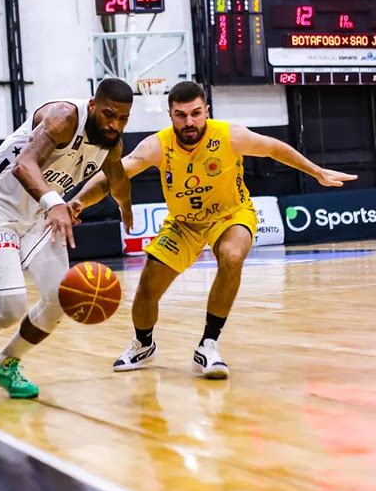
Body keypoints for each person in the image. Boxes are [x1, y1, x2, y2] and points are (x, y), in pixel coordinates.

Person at [68, 81, 358, 379]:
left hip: (230, 215)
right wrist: (77, 202)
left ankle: (208, 344)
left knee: (232, 256)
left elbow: (274, 148)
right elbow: (113, 176)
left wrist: (317, 171)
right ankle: (143, 344)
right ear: (170, 115)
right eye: (181, 115)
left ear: (206, 110)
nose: (189, 121)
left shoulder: (229, 135)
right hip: (183, 224)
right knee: (146, 291)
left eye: (195, 113)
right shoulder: (157, 145)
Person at [0, 78, 134, 398]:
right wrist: (55, 204)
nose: (115, 124)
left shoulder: (112, 143)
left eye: (123, 118)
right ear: (93, 106)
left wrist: (125, 208)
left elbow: (117, 179)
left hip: (39, 216)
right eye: (109, 114)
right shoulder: (63, 117)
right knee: (11, 306)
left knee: (59, 299)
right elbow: (24, 166)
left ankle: (6, 363)